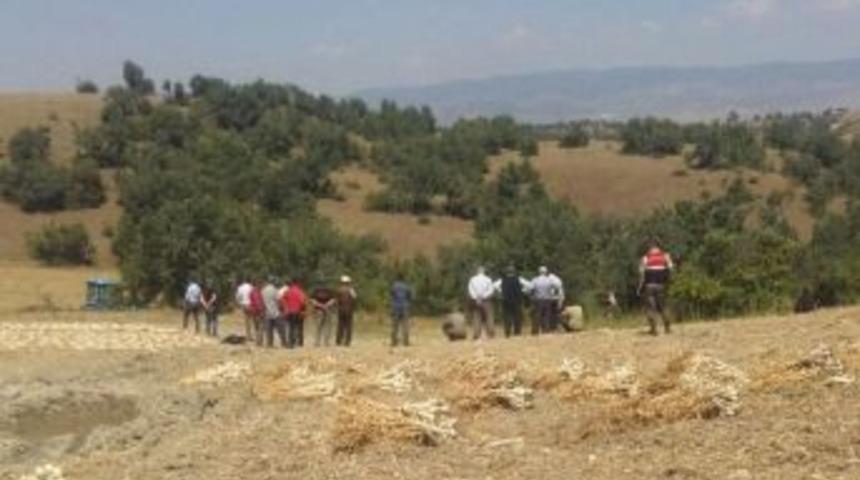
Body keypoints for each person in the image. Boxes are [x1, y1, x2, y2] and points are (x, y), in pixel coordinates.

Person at [638, 242, 674, 335]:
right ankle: (667, 328)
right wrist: (668, 280)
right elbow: (671, 269)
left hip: (649, 286)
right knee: (663, 307)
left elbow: (642, 274)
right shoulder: (665, 256)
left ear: (650, 249)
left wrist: (640, 287)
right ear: (659, 248)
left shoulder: (645, 258)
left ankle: (654, 330)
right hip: (661, 285)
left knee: (650, 308)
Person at [493, 265, 531, 337]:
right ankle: (517, 332)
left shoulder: (502, 279)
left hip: (506, 300)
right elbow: (529, 285)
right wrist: (523, 291)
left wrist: (501, 291)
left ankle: (507, 332)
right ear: (514, 272)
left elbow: (494, 285)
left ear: (507, 272)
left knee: (507, 317)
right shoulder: (519, 279)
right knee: (517, 316)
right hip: (517, 300)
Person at [530, 266, 563, 334]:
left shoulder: (535, 280)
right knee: (546, 316)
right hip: (548, 300)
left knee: (537, 315)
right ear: (546, 272)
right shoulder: (549, 280)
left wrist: (533, 296)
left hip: (538, 300)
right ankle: (545, 330)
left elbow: (531, 288)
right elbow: (557, 286)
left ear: (539, 272)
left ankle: (535, 331)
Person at [467, 266, 495, 340]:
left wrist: (476, 297)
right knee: (489, 316)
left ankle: (476, 334)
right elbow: (491, 290)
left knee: (476, 316)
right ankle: (490, 333)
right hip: (486, 300)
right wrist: (484, 296)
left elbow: (470, 290)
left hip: (475, 300)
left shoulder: (472, 279)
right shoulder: (488, 279)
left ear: (477, 271)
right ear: (484, 271)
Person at [282, 279, 307, 348]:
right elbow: (303, 302)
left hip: (289, 311)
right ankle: (298, 343)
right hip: (297, 311)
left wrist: (285, 308)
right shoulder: (300, 292)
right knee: (298, 327)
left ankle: (291, 343)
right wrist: (303, 310)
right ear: (297, 283)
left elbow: (282, 299)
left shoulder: (288, 291)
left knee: (291, 327)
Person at [262, 278, 287, 348]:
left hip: (267, 313)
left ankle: (270, 344)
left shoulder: (263, 290)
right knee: (281, 329)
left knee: (269, 330)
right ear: (273, 282)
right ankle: (284, 343)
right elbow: (279, 300)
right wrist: (283, 309)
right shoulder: (274, 290)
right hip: (276, 312)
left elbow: (263, 302)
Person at [311, 282, 337, 347]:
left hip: (318, 310)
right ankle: (326, 342)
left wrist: (320, 305)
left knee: (318, 327)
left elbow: (312, 300)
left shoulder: (316, 290)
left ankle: (317, 342)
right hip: (328, 310)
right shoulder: (329, 290)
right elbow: (333, 300)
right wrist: (326, 305)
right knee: (328, 327)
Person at [390, 275, 413, 347]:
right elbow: (409, 296)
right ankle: (406, 341)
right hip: (405, 306)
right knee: (405, 324)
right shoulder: (406, 286)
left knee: (395, 325)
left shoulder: (394, 286)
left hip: (396, 307)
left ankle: (394, 341)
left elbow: (392, 295)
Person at [335, 275, 357, 347]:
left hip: (340, 310)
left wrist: (338, 307)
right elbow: (354, 298)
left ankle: (338, 341)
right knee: (348, 326)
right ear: (348, 282)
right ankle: (347, 342)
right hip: (349, 310)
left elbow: (336, 300)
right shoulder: (351, 290)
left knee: (340, 325)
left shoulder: (339, 289)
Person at [248, 280, 266, 346]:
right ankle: (259, 341)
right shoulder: (256, 292)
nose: (262, 286)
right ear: (258, 285)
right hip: (258, 312)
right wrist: (262, 311)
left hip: (254, 311)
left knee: (257, 327)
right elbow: (257, 302)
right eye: (261, 285)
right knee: (260, 327)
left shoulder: (253, 291)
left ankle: (258, 341)